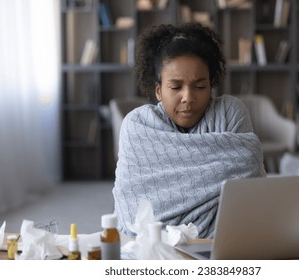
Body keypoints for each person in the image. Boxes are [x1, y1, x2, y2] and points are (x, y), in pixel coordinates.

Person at [113, 23, 265, 238]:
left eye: (200, 86)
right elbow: (133, 209)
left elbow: (249, 176)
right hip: (151, 248)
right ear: (158, 90)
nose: (188, 97)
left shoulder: (229, 112)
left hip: (221, 246)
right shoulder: (138, 125)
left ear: (211, 85)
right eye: (175, 87)